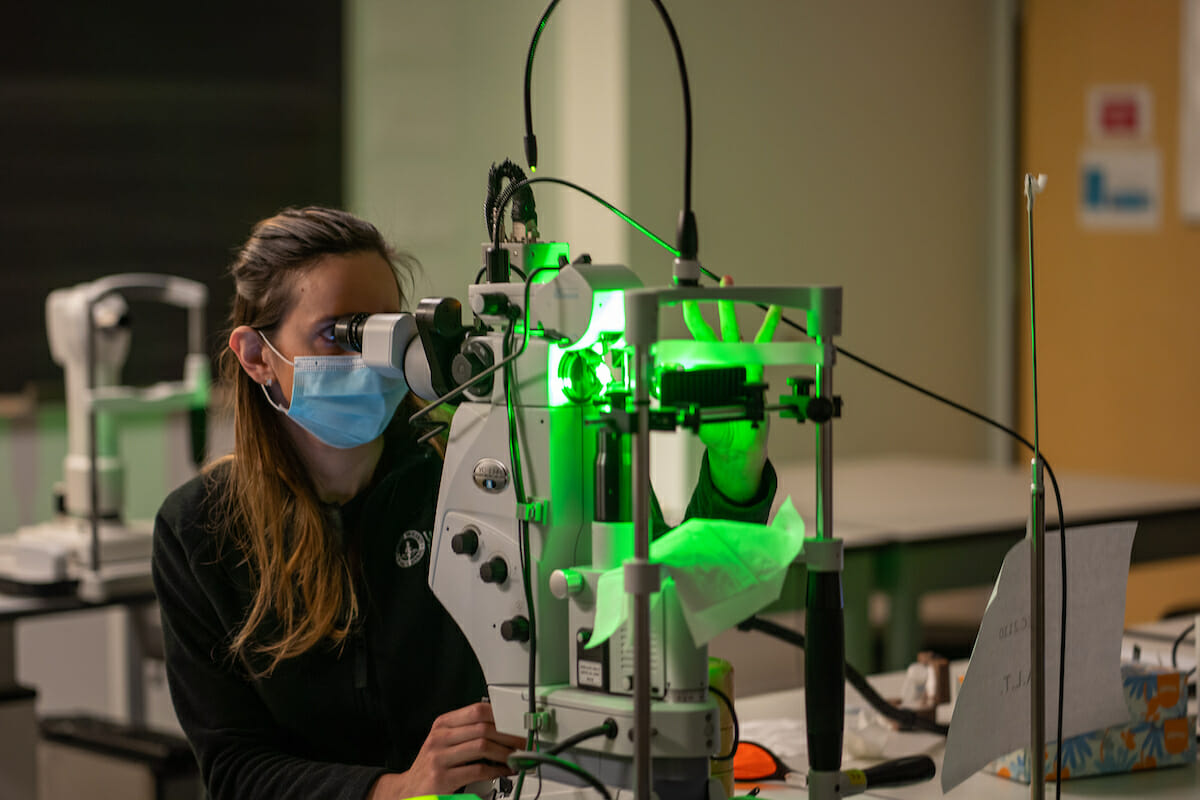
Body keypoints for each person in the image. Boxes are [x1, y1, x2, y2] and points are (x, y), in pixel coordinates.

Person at [152, 206, 779, 800]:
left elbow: (656, 603)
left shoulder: (491, 459)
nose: (374, 361)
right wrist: (393, 789)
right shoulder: (199, 531)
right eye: (340, 334)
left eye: (387, 332)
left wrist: (733, 469)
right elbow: (235, 771)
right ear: (258, 355)